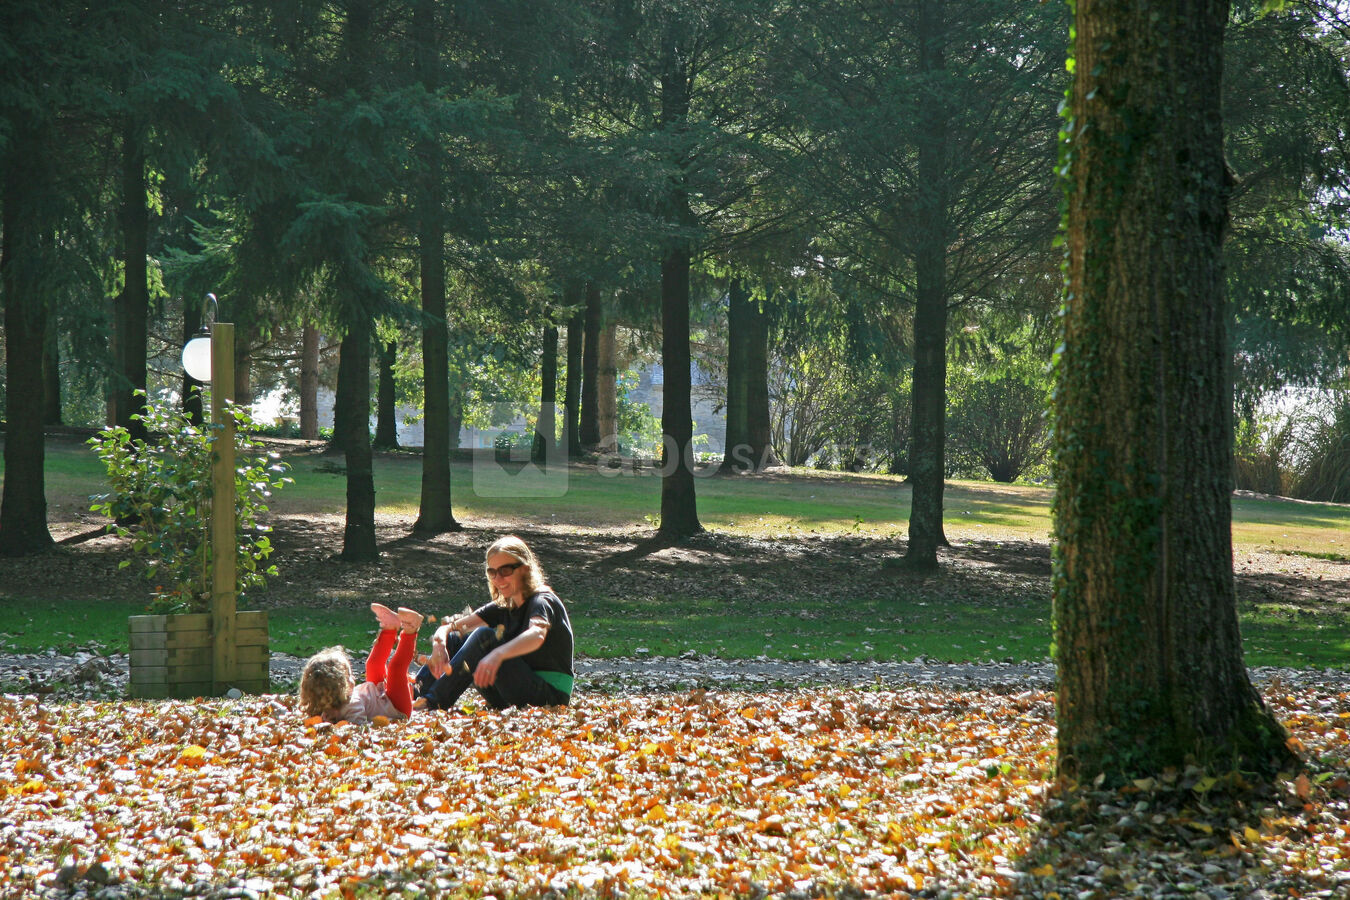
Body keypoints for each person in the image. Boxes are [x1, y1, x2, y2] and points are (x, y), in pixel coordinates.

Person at [415, 535, 574, 712]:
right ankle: (413, 695)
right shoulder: (505, 605)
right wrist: (440, 644)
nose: (498, 579)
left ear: (524, 570)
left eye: (505, 571)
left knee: (485, 638)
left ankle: (432, 703)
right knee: (455, 639)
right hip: (512, 691)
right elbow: (452, 627)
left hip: (549, 696)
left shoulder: (542, 600)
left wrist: (498, 654)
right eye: (492, 572)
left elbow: (537, 634)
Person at [299, 603, 424, 724]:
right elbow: (359, 728)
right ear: (339, 687)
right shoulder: (352, 707)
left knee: (372, 664)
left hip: (378, 695)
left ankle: (390, 628)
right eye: (349, 676)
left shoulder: (341, 702)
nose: (354, 677)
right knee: (395, 669)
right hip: (396, 708)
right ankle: (411, 629)